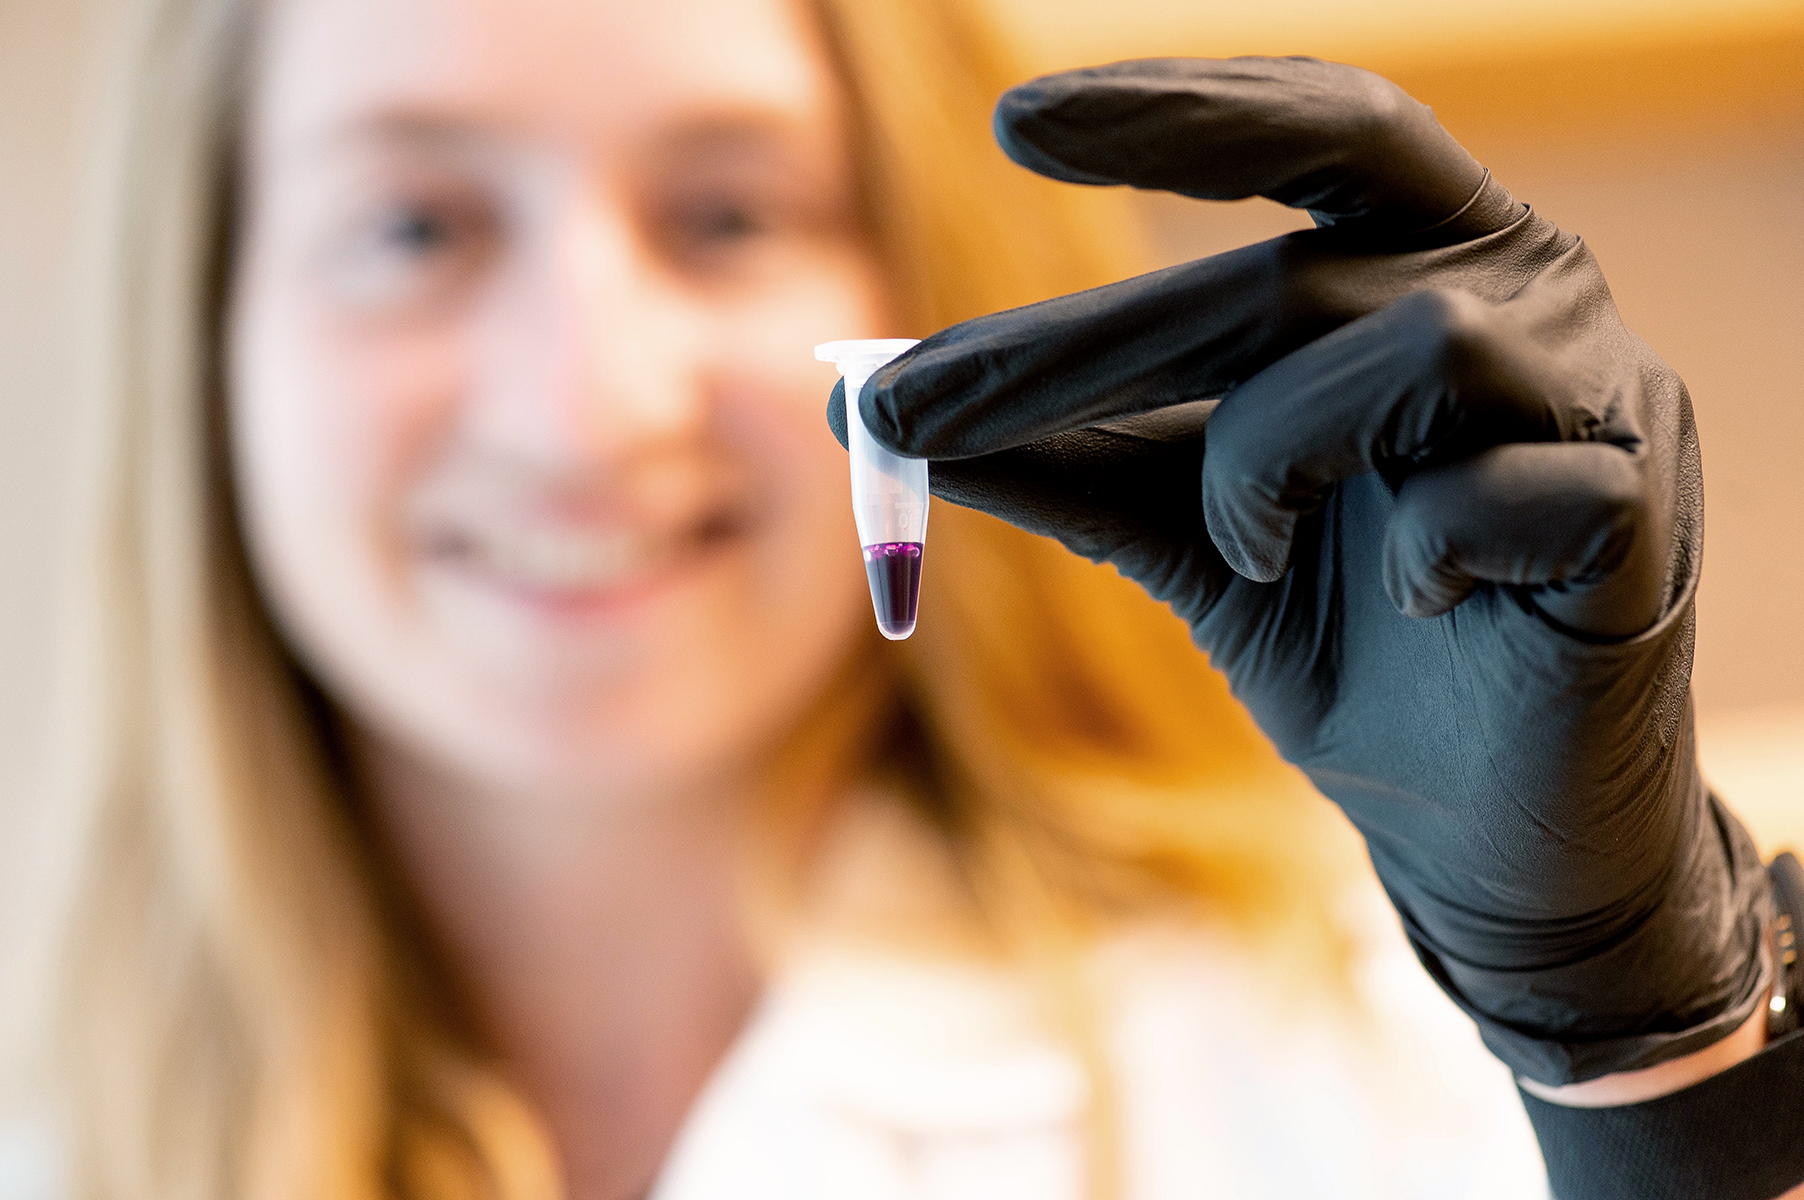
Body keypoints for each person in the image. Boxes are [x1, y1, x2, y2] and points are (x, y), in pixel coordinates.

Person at [8, 0, 1797, 1198]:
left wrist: (1660, 1080)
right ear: (205, 339)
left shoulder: (1366, 1066)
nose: (584, 405)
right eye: (414, 227)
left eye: (725, 215)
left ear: (943, 283)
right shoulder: (61, 1133)